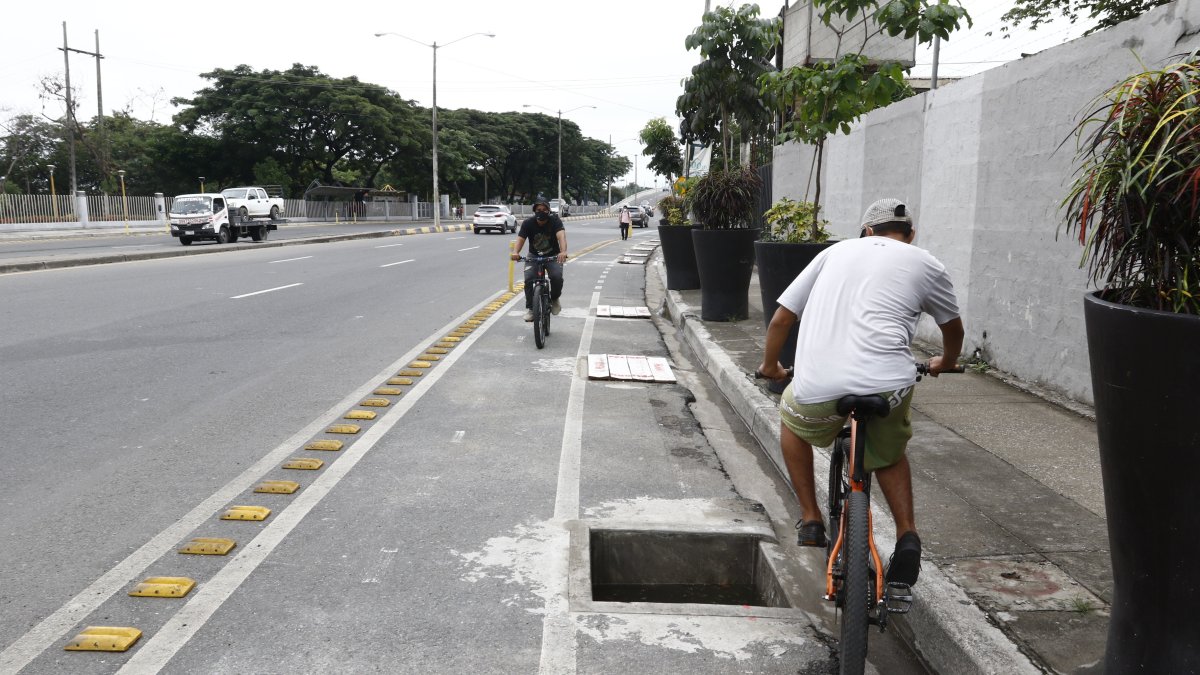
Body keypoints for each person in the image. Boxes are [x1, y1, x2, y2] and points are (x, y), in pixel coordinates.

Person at [757, 198, 963, 587]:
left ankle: (812, 518)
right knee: (889, 451)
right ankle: (907, 535)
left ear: (866, 231)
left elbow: (783, 317)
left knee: (791, 418)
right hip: (888, 385)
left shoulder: (835, 252)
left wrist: (771, 367)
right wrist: (946, 361)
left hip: (820, 384)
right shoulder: (927, 262)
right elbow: (953, 329)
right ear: (911, 235)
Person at [511, 197, 568, 321]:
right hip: (534, 256)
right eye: (538, 209)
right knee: (528, 279)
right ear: (534, 211)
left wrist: (563, 252)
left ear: (548, 210)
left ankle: (554, 298)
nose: (541, 212)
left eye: (544, 209)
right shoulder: (528, 223)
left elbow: (561, 236)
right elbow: (521, 239)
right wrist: (515, 252)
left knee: (556, 277)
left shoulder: (555, 221)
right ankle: (531, 309)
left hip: (553, 255)